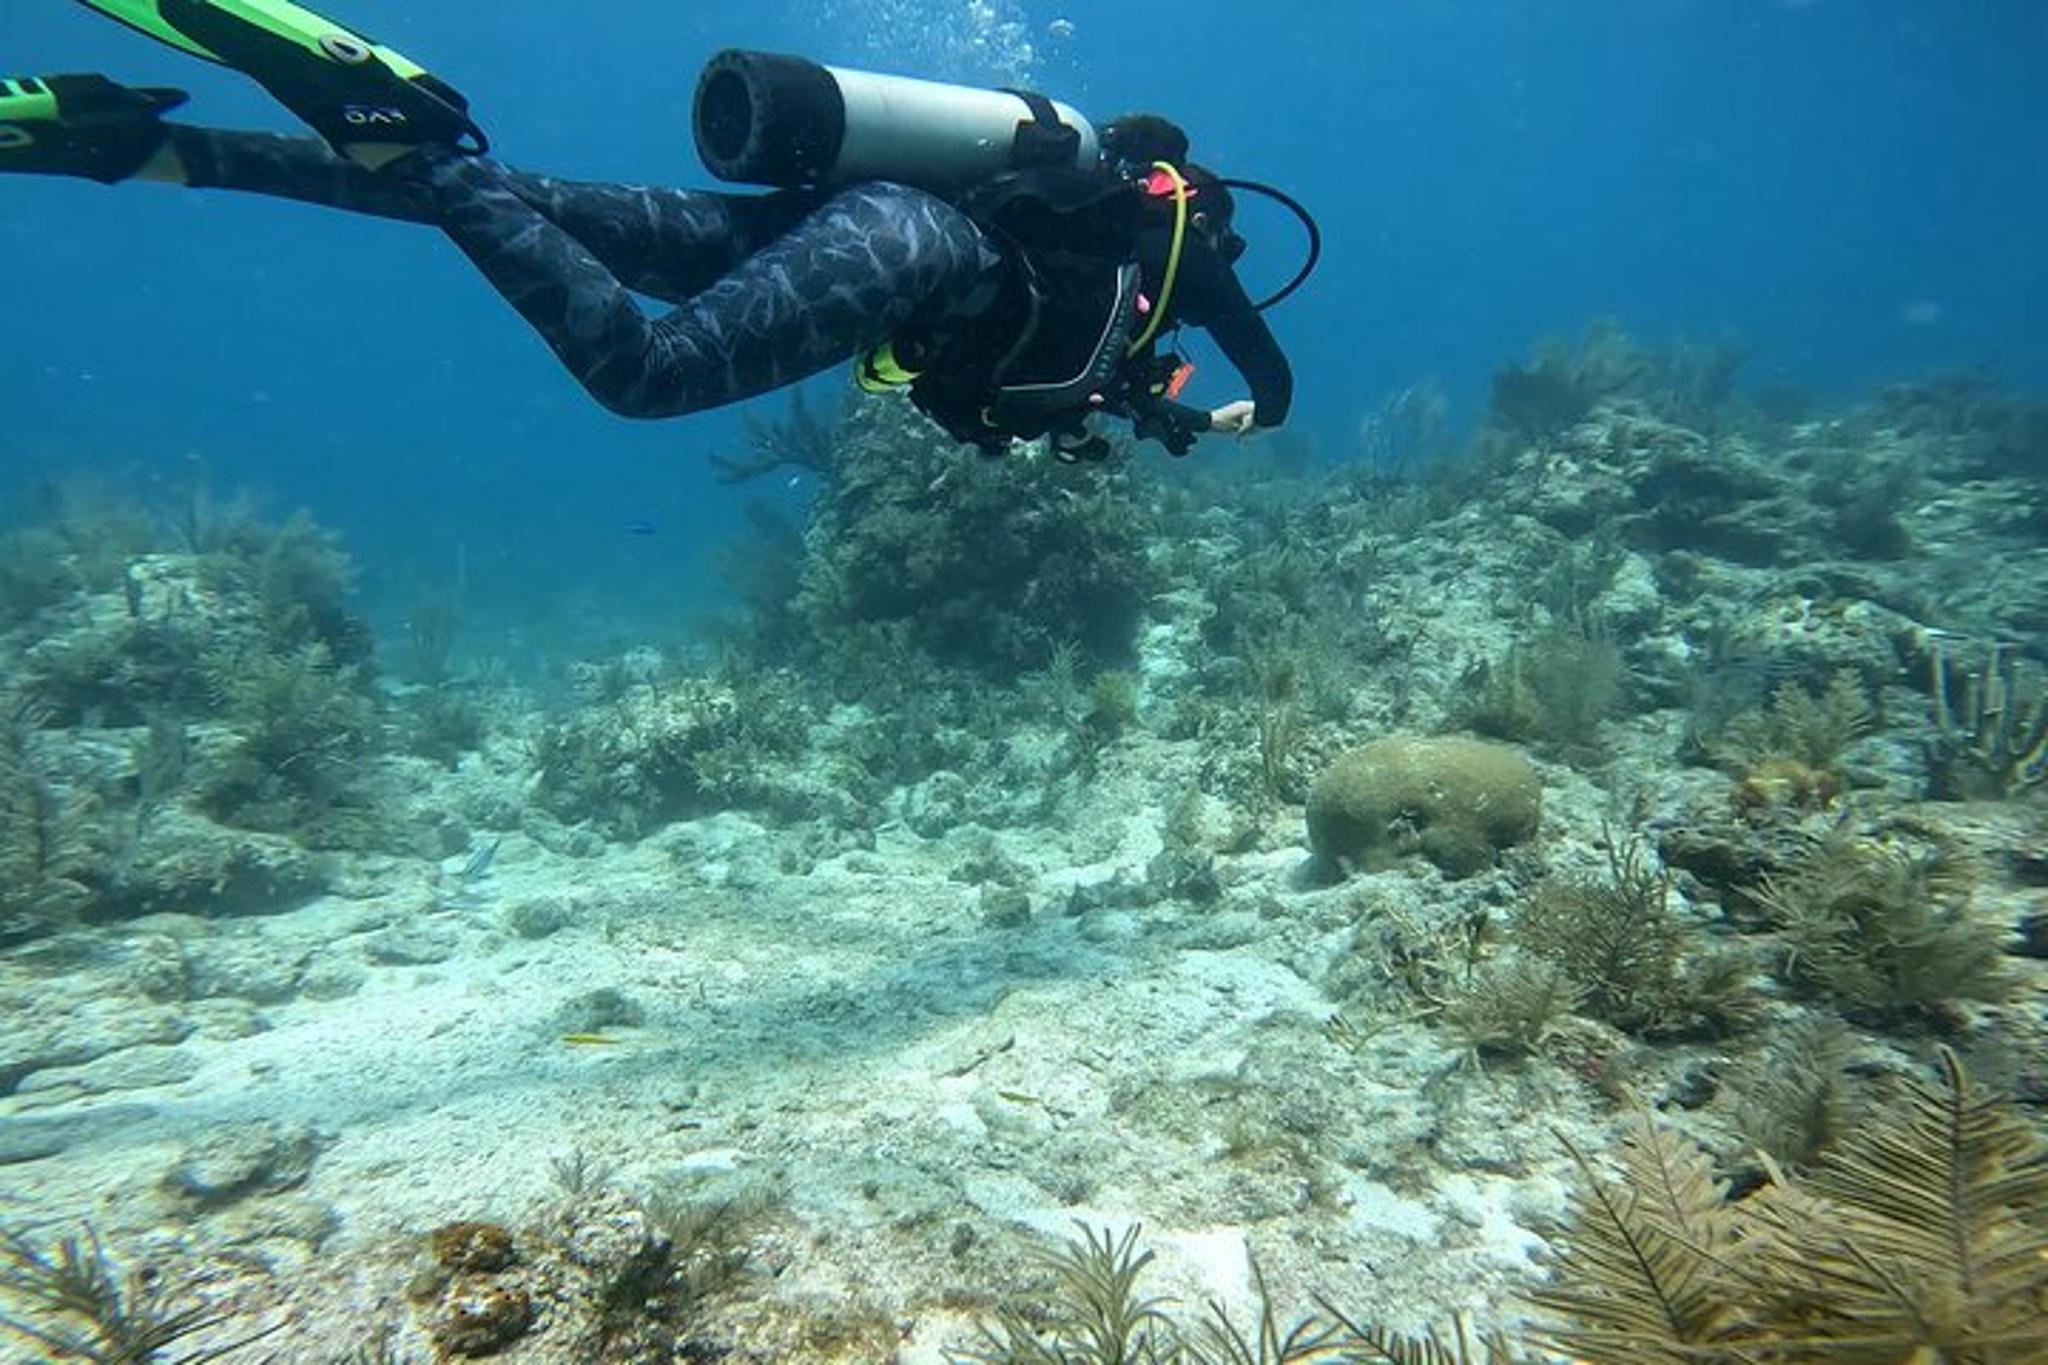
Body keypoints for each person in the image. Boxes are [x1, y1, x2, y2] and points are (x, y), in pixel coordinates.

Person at [2, 0, 1294, 459]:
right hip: (908, 248)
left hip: (855, 220)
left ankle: (142, 146)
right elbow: (1271, 380)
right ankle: (407, 131)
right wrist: (1239, 410)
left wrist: (1142, 403)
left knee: (530, 205)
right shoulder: (1178, 251)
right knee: (646, 373)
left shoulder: (1106, 232)